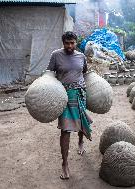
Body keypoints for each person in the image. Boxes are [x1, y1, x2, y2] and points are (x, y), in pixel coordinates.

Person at [47, 31, 92, 180]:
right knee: (65, 130)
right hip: (64, 97)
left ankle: (80, 141)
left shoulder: (81, 56)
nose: (70, 46)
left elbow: (84, 72)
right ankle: (65, 163)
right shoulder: (56, 55)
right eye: (67, 43)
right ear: (63, 43)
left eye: (72, 43)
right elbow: (49, 74)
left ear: (76, 43)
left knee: (80, 124)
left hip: (79, 94)